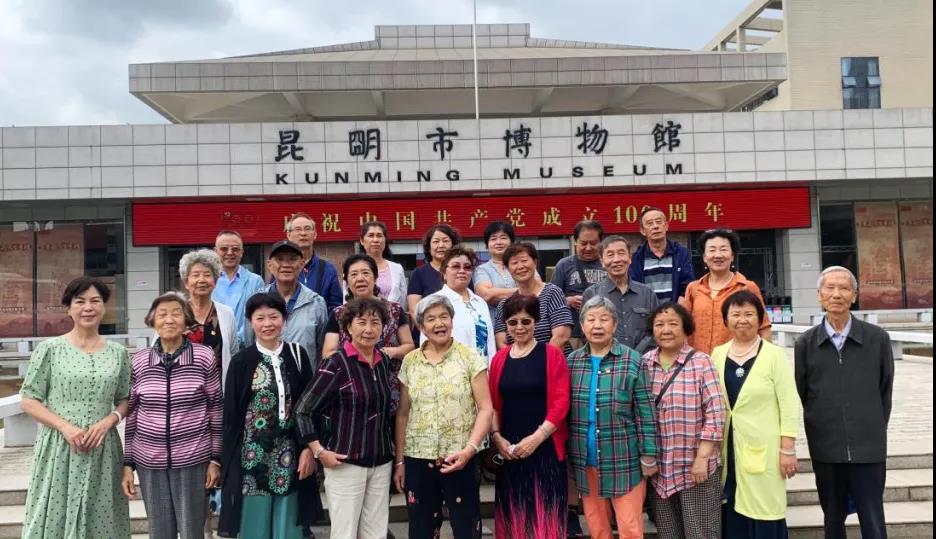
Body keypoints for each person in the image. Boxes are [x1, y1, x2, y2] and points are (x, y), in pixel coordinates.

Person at [19, 277, 131, 538]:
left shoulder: (118, 353)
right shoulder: (50, 349)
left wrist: (109, 421)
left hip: (103, 448)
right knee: (52, 513)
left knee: (102, 516)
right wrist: (65, 427)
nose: (88, 308)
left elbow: (125, 399)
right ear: (69, 309)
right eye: (80, 302)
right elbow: (29, 399)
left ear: (104, 307)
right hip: (59, 446)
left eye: (95, 301)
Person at [795, 266, 894, 539]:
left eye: (844, 288)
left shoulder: (877, 339)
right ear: (819, 295)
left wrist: (871, 427)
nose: (836, 294)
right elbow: (804, 393)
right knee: (833, 518)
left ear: (854, 295)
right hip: (826, 447)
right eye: (829, 288)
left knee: (873, 519)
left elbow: (884, 391)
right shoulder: (805, 343)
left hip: (868, 447)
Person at [217, 292, 322, 539]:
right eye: (260, 318)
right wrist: (227, 462)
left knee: (289, 525)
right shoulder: (241, 361)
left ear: (284, 319)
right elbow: (231, 416)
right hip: (251, 459)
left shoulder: (297, 355)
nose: (267, 324)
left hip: (290, 455)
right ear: (250, 322)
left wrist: (308, 448)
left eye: (273, 317)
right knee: (254, 525)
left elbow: (310, 407)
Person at [123, 292, 223, 539]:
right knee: (159, 532)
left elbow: (216, 409)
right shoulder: (140, 360)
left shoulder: (203, 356)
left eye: (176, 313)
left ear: (186, 320)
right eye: (162, 314)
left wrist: (215, 459)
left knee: (192, 531)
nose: (169, 319)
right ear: (152, 321)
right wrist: (128, 463)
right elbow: (132, 414)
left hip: (193, 459)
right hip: (149, 462)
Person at [394, 294, 494, 539]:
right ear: (421, 326)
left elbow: (485, 408)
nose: (439, 323)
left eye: (444, 317)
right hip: (418, 457)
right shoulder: (410, 361)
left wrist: (470, 450)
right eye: (431, 319)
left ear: (451, 320)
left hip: (460, 456)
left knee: (466, 526)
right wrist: (400, 462)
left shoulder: (470, 357)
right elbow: (403, 414)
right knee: (421, 528)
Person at [295, 298, 396, 539]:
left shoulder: (383, 362)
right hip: (344, 462)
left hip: (381, 461)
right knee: (345, 533)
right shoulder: (336, 363)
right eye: (361, 322)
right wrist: (319, 451)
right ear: (348, 327)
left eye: (375, 322)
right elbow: (302, 410)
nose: (369, 329)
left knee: (376, 533)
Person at [566, 296, 658, 539]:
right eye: (591, 319)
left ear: (615, 325)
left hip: (623, 459)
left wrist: (649, 455)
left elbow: (646, 413)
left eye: (604, 319)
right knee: (597, 527)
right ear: (582, 325)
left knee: (630, 527)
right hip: (585, 459)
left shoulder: (632, 361)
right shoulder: (572, 362)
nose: (597, 325)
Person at [712, 290, 799, 538]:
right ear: (726, 320)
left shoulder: (774, 355)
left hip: (766, 448)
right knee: (733, 504)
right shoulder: (718, 354)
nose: (742, 320)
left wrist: (787, 449)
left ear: (760, 319)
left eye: (749, 314)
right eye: (736, 314)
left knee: (764, 508)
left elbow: (789, 403)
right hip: (728, 447)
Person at [488, 294, 571, 539]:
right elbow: (492, 405)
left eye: (526, 321)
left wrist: (536, 438)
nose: (519, 327)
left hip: (545, 446)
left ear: (536, 321)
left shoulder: (552, 355)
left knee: (545, 517)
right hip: (510, 449)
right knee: (514, 514)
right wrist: (497, 438)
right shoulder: (499, 358)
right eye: (513, 322)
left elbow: (561, 402)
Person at [642, 302, 725, 539]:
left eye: (673, 324)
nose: (666, 330)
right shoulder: (644, 363)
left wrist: (702, 458)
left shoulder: (701, 362)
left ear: (686, 328)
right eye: (659, 324)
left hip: (695, 467)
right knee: (669, 533)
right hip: (659, 470)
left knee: (701, 533)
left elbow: (716, 412)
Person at [322, 253, 415, 412]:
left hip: (390, 386)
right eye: (354, 274)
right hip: (351, 388)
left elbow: (409, 346)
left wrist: (390, 352)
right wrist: (355, 357)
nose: (360, 279)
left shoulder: (395, 310)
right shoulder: (338, 314)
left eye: (365, 273)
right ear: (346, 281)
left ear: (375, 277)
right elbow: (328, 353)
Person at [683, 229, 771, 355]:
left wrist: (765, 358)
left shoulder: (747, 287)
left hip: (737, 360)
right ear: (704, 257)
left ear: (732, 256)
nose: (718, 255)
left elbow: (764, 327)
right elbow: (684, 327)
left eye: (723, 249)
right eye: (712, 250)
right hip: (698, 361)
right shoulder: (693, 288)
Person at [245, 240, 328, 365]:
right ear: (269, 265)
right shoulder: (256, 302)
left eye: (292, 259)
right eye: (279, 259)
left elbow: (322, 348)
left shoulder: (316, 303)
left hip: (304, 375)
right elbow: (249, 342)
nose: (286, 265)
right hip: (265, 374)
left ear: (302, 264)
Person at [582, 235, 659, 354]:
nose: (617, 260)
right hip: (606, 360)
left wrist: (634, 356)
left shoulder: (647, 294)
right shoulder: (592, 294)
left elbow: (656, 330)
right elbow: (587, 332)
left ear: (630, 258)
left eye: (621, 253)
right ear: (602, 261)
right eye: (610, 255)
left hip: (644, 360)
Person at [493, 242, 573, 352]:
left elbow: (561, 336)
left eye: (524, 261)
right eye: (514, 263)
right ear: (508, 269)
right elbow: (501, 342)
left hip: (553, 360)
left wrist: (539, 360)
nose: (520, 266)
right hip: (518, 361)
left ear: (535, 262)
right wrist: (517, 360)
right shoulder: (505, 304)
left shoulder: (552, 293)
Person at [178, 248, 239, 385]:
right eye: (195, 275)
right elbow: (158, 350)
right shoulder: (174, 313)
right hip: (181, 391)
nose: (201, 280)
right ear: (186, 283)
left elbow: (233, 353)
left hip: (218, 391)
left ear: (215, 281)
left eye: (207, 275)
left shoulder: (226, 314)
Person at [431, 246, 496, 360]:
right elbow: (428, 345)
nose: (462, 271)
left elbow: (490, 343)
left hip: (484, 368)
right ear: (444, 273)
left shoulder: (480, 302)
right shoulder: (434, 302)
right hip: (451, 368)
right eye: (456, 266)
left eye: (467, 267)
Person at [550, 220, 607, 346]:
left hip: (605, 331)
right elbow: (551, 299)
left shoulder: (608, 263)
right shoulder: (564, 265)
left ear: (601, 242)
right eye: (583, 243)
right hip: (574, 334)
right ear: (575, 241)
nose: (588, 248)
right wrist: (568, 301)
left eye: (593, 243)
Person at [629, 207, 694, 303]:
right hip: (648, 310)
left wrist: (679, 307)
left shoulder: (681, 253)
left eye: (658, 222)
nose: (655, 226)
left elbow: (688, 284)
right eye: (649, 223)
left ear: (666, 226)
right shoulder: (637, 258)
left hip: (675, 310)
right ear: (642, 231)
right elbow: (635, 288)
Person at [212, 229, 265, 344]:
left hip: (245, 346)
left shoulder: (255, 281)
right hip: (214, 346)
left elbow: (258, 315)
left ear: (242, 252)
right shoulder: (209, 281)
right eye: (224, 249)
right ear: (215, 251)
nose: (230, 253)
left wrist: (235, 341)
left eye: (235, 249)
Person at [285, 212, 343, 312]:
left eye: (307, 229)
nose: (303, 233)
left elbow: (336, 306)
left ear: (315, 234)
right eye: (298, 229)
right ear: (288, 235)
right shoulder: (282, 268)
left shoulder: (327, 269)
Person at [407, 223, 462, 321]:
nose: (441, 245)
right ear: (429, 247)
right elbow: (414, 310)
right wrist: (428, 328)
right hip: (428, 328)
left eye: (445, 241)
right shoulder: (419, 273)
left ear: (453, 245)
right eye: (436, 241)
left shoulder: (462, 271)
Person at [473, 221, 520, 318]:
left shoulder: (523, 264)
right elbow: (486, 295)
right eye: (493, 239)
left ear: (511, 242)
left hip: (524, 321)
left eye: (503, 238)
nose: (498, 242)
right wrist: (523, 291)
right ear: (487, 245)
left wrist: (496, 292)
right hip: (495, 322)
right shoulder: (481, 270)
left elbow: (537, 291)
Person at [359, 221, 408, 305]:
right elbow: (347, 302)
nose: (375, 240)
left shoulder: (397, 268)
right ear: (362, 241)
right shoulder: (353, 268)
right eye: (371, 235)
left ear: (385, 240)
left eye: (379, 236)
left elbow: (403, 301)